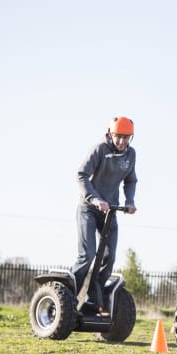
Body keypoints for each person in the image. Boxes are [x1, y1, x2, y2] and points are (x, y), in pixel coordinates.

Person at [72, 116, 137, 314]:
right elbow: (81, 175)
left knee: (109, 257)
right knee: (88, 254)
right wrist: (95, 199)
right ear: (110, 133)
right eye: (118, 137)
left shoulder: (130, 154)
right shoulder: (99, 149)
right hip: (89, 209)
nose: (122, 142)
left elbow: (131, 180)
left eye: (126, 138)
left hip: (110, 212)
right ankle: (68, 297)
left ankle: (93, 300)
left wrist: (130, 201)